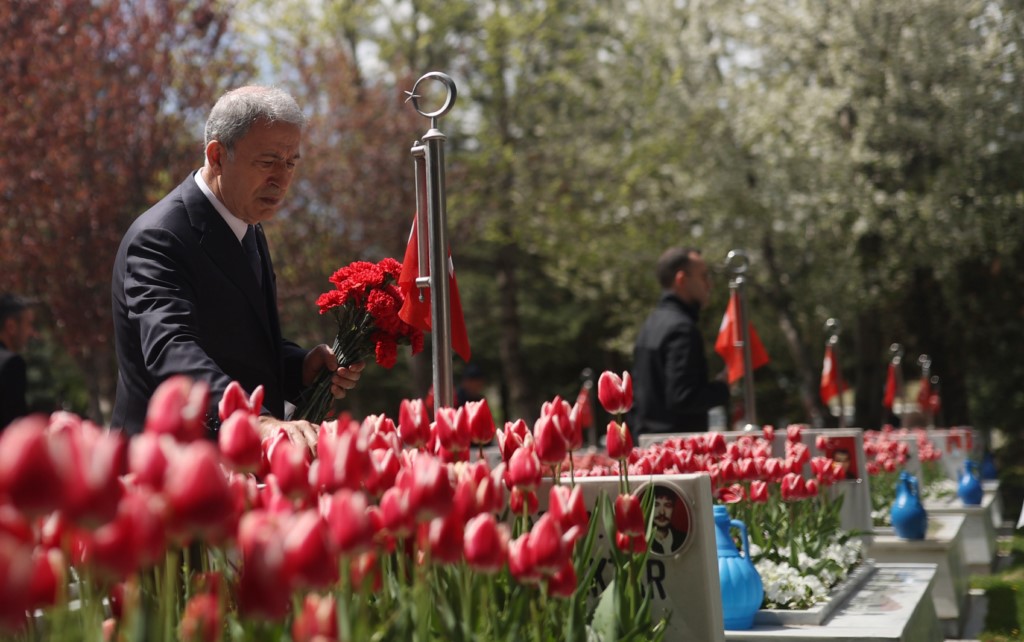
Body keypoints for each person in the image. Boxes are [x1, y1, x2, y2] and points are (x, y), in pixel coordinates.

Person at [111, 86, 363, 449]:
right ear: (217, 156)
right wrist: (255, 421)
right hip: (163, 467)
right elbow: (171, 349)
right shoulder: (160, 237)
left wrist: (297, 367)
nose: (282, 178)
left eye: (291, 162)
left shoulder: (246, 224)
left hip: (230, 468)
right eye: (267, 162)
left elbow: (237, 342)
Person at [632, 247, 729, 433]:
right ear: (681, 280)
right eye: (704, 277)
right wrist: (723, 386)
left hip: (647, 445)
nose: (709, 285)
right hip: (676, 452)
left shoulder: (650, 325)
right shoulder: (682, 328)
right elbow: (682, 398)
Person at [0, 294, 36, 429]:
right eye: (28, 324)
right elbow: (15, 428)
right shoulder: (11, 364)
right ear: (11, 326)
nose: (31, 332)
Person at [651, 485, 687, 555]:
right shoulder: (639, 543)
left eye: (667, 505)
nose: (662, 512)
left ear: (673, 508)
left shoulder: (683, 539)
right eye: (656, 504)